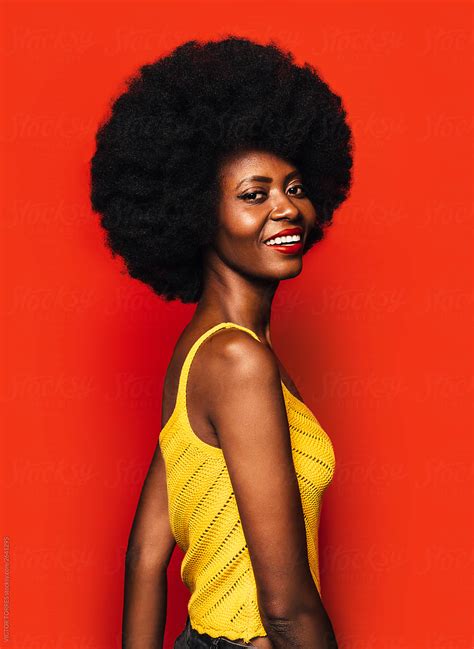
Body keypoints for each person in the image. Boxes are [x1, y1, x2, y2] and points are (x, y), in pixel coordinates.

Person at [90, 35, 353, 649]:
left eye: (293, 187)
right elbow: (285, 608)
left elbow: (143, 559)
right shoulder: (237, 361)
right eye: (253, 195)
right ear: (194, 214)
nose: (286, 209)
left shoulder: (198, 353)